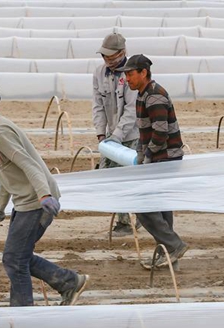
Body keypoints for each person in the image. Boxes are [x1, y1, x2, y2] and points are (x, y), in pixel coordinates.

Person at [0, 82, 90, 307]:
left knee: (14, 259)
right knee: (19, 256)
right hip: (26, 201)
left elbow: (29, 165)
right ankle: (69, 282)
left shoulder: (0, 132)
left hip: (36, 203)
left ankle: (23, 313)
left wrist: (45, 195)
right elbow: (8, 175)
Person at [117, 54, 189, 270]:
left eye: (130, 74)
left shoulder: (155, 95)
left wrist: (147, 157)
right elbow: (145, 133)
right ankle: (167, 255)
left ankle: (174, 245)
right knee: (161, 207)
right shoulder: (142, 95)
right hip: (159, 157)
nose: (127, 79)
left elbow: (160, 133)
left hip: (166, 158)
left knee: (144, 205)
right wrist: (141, 155)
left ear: (143, 73)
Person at [92, 32, 140, 238]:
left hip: (132, 134)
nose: (108, 61)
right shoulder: (99, 73)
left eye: (112, 57)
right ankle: (130, 217)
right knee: (109, 175)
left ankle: (126, 222)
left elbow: (131, 110)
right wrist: (101, 134)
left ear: (123, 53)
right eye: (105, 57)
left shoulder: (131, 75)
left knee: (125, 177)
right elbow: (98, 105)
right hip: (112, 135)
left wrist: (118, 136)